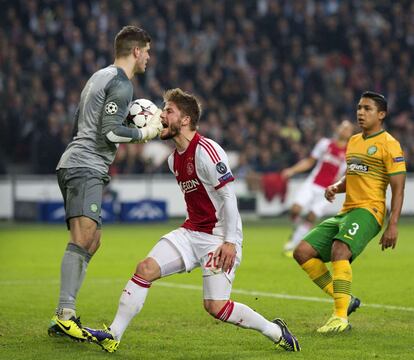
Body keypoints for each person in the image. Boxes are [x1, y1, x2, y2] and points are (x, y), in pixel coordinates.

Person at [84, 88, 301, 352]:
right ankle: (113, 335)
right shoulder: (173, 160)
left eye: (168, 111)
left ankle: (275, 331)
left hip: (220, 237)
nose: (160, 116)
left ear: (185, 120)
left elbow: (228, 198)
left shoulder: (207, 151)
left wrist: (230, 242)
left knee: (215, 306)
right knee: (145, 269)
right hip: (190, 232)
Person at [48, 25, 163, 341]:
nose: (149, 58)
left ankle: (63, 313)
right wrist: (144, 133)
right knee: (83, 237)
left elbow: (81, 120)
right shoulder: (122, 84)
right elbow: (109, 133)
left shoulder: (98, 77)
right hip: (85, 165)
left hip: (78, 162)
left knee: (93, 240)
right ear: (136, 51)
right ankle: (64, 314)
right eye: (148, 51)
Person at [293, 91, 406, 334]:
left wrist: (393, 223)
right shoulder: (354, 141)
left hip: (370, 210)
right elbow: (354, 173)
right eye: (359, 108)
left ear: (382, 114)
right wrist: (337, 186)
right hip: (347, 211)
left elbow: (398, 187)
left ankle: (340, 317)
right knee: (302, 252)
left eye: (367, 109)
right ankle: (346, 298)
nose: (360, 113)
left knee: (339, 249)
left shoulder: (389, 144)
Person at [281, 120, 354, 257]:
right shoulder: (325, 144)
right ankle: (297, 230)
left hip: (327, 190)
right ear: (338, 129)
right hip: (312, 183)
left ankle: (293, 244)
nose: (344, 130)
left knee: (311, 216)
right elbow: (310, 161)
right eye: (342, 127)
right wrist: (292, 170)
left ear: (351, 133)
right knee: (295, 209)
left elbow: (345, 175)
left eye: (347, 128)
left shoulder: (350, 153)